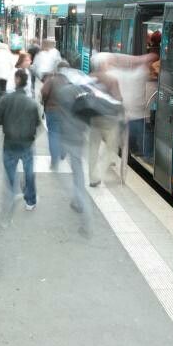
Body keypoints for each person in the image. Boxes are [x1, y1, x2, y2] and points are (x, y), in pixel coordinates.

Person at [0, 69, 41, 220]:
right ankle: (30, 201)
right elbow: (37, 123)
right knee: (29, 173)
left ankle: (12, 195)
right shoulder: (32, 103)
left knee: (10, 172)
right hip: (27, 143)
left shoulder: (5, 100)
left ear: (16, 80)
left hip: (9, 142)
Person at [54, 68, 93, 237]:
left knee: (69, 174)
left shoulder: (62, 92)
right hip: (79, 136)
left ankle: (83, 211)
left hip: (67, 137)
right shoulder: (84, 92)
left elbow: (59, 115)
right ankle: (77, 200)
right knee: (78, 171)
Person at [87, 53, 123, 187]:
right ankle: (100, 172)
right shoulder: (111, 79)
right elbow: (118, 99)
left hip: (93, 118)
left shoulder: (90, 77)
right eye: (108, 63)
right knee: (111, 147)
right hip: (108, 120)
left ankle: (92, 177)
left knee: (93, 148)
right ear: (103, 65)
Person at [41, 62, 68, 171]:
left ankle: (54, 161)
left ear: (57, 69)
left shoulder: (51, 80)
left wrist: (45, 100)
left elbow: (44, 92)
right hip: (66, 112)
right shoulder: (69, 81)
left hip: (52, 110)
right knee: (64, 133)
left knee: (53, 134)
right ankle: (63, 151)